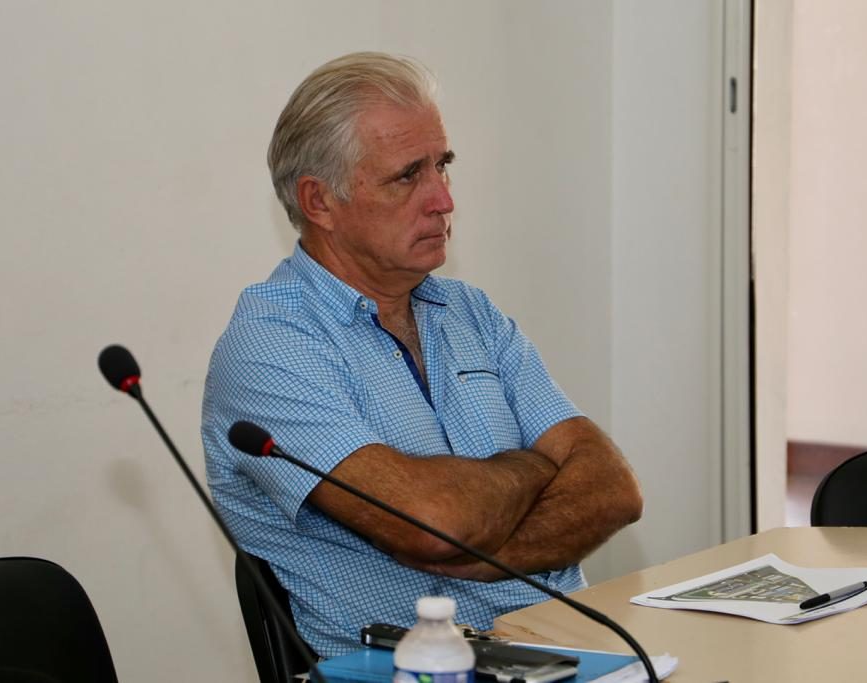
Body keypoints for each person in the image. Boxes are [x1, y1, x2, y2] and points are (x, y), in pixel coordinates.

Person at [201, 52, 643, 657]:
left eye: (443, 166)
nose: (443, 199)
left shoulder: (470, 311)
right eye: (408, 176)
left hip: (571, 650)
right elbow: (433, 524)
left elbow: (613, 489)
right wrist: (537, 467)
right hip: (414, 667)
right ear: (320, 202)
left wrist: (489, 552)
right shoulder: (270, 345)